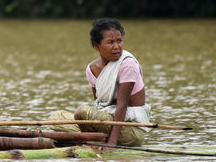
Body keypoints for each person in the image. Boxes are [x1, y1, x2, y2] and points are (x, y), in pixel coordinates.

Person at [47, 18, 152, 146]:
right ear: (97, 46)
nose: (116, 47)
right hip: (107, 122)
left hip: (130, 129)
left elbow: (122, 105)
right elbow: (100, 105)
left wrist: (112, 144)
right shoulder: (91, 69)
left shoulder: (127, 64)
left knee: (81, 112)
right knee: (56, 118)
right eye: (110, 42)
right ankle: (94, 139)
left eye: (119, 41)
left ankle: (93, 142)